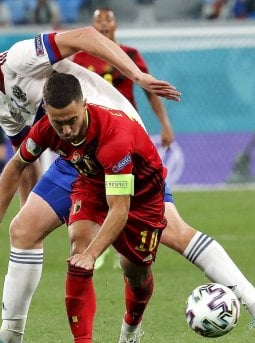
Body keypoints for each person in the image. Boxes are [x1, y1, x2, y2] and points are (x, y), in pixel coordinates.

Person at [0, 22, 255, 343]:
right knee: (22, 230)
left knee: (173, 235)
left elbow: (85, 36)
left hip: (119, 145)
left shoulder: (21, 57)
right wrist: (26, 213)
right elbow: (26, 161)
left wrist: (137, 76)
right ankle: (10, 339)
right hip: (76, 160)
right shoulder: (0, 105)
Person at [0, 72, 168, 343]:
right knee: (77, 250)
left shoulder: (116, 136)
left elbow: (119, 210)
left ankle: (132, 326)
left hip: (143, 197)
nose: (67, 129)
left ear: (85, 104)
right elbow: (17, 164)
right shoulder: (47, 128)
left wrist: (93, 254)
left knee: (134, 271)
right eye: (59, 122)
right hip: (91, 183)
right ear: (47, 110)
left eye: (72, 119)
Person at [72, 7, 175, 269]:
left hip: (130, 132)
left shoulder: (129, 55)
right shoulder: (80, 59)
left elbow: (150, 90)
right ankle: (101, 245)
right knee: (102, 191)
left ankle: (133, 244)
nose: (104, 24)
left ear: (115, 25)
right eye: (99, 21)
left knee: (135, 190)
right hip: (96, 136)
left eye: (108, 19)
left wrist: (164, 124)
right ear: (93, 26)